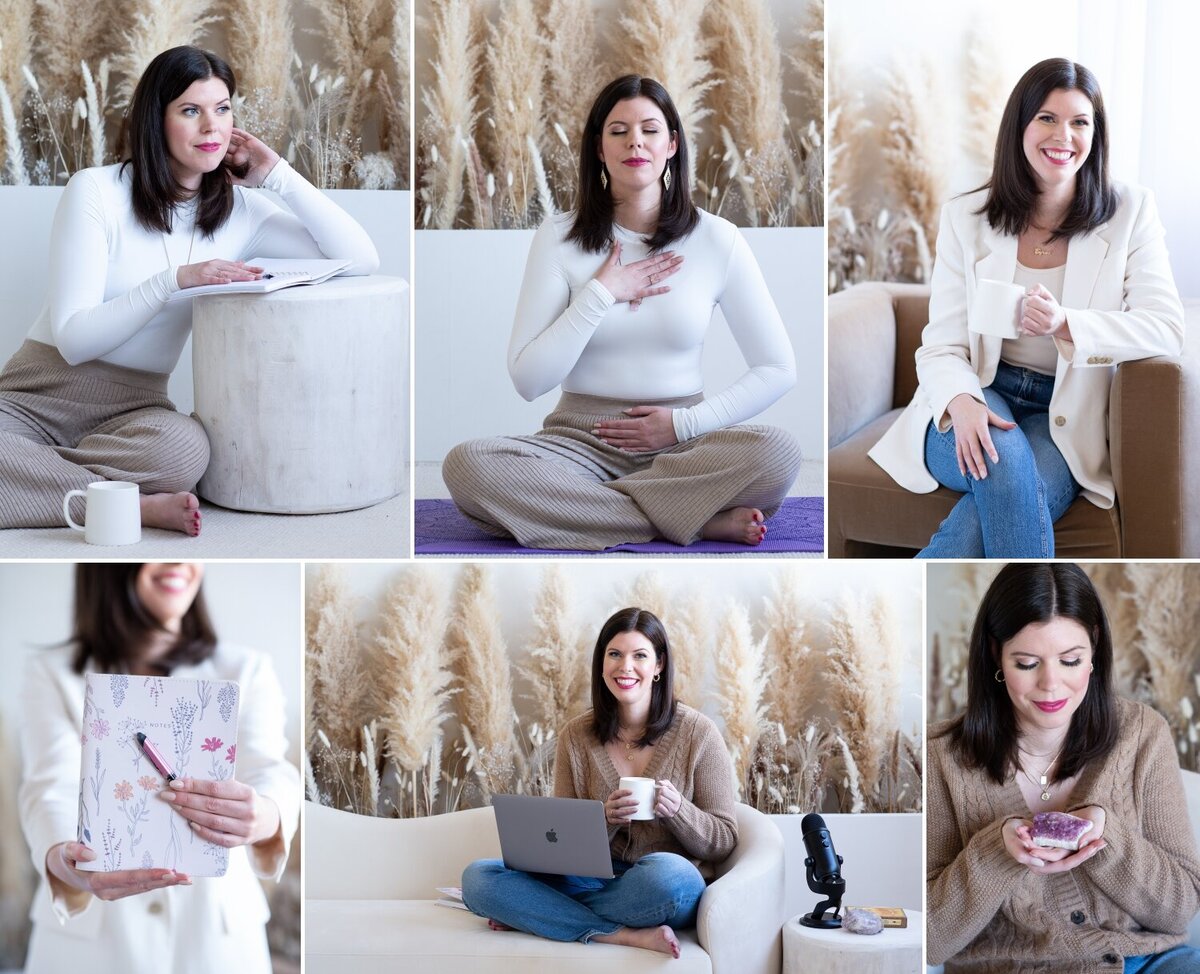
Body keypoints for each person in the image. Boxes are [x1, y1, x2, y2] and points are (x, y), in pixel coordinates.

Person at [0, 46, 379, 537]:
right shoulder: (95, 191)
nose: (212, 127)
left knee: (185, 451)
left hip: (133, 412)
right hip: (37, 397)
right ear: (155, 120)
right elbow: (74, 341)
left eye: (222, 109)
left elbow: (360, 258)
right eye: (191, 111)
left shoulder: (242, 212)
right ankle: (131, 505)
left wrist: (277, 176)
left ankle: (37, 482)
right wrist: (176, 280)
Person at [443, 75, 801, 551]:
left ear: (672, 144)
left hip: (684, 446)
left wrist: (681, 425)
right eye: (618, 130)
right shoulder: (559, 237)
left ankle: (594, 512)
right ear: (598, 148)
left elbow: (778, 369)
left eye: (650, 129)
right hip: (577, 444)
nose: (635, 140)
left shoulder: (718, 240)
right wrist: (600, 294)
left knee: (779, 453)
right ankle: (691, 521)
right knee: (467, 465)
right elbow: (528, 381)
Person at [868, 58, 1185, 557]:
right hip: (976, 391)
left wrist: (1067, 324)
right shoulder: (966, 217)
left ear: (1095, 135)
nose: (1064, 135)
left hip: (1063, 414)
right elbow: (942, 346)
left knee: (994, 500)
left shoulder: (1131, 212)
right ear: (1020, 125)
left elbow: (1167, 328)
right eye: (1047, 118)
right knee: (1005, 466)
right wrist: (962, 401)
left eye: (1080, 122)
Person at [17, 563, 299, 973]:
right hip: (89, 950)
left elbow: (270, 770)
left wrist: (266, 815)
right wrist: (65, 859)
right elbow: (49, 787)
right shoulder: (51, 673)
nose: (177, 563)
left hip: (216, 943)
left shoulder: (246, 670)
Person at [927, 563, 1200, 973]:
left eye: (1071, 660)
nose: (1051, 684)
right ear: (994, 655)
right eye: (1027, 663)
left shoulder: (1143, 735)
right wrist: (998, 851)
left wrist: (1107, 834)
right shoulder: (940, 758)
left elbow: (1180, 910)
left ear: (1094, 652)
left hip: (1145, 962)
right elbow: (931, 939)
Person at [461, 607, 737, 957]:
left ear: (659, 665)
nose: (625, 667)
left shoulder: (698, 733)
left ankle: (540, 915)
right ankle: (617, 934)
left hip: (657, 887)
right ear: (602, 664)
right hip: (593, 880)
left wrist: (679, 811)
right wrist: (602, 821)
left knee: (672, 878)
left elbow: (725, 839)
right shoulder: (576, 736)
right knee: (478, 880)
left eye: (640, 655)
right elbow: (557, 849)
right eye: (615, 654)